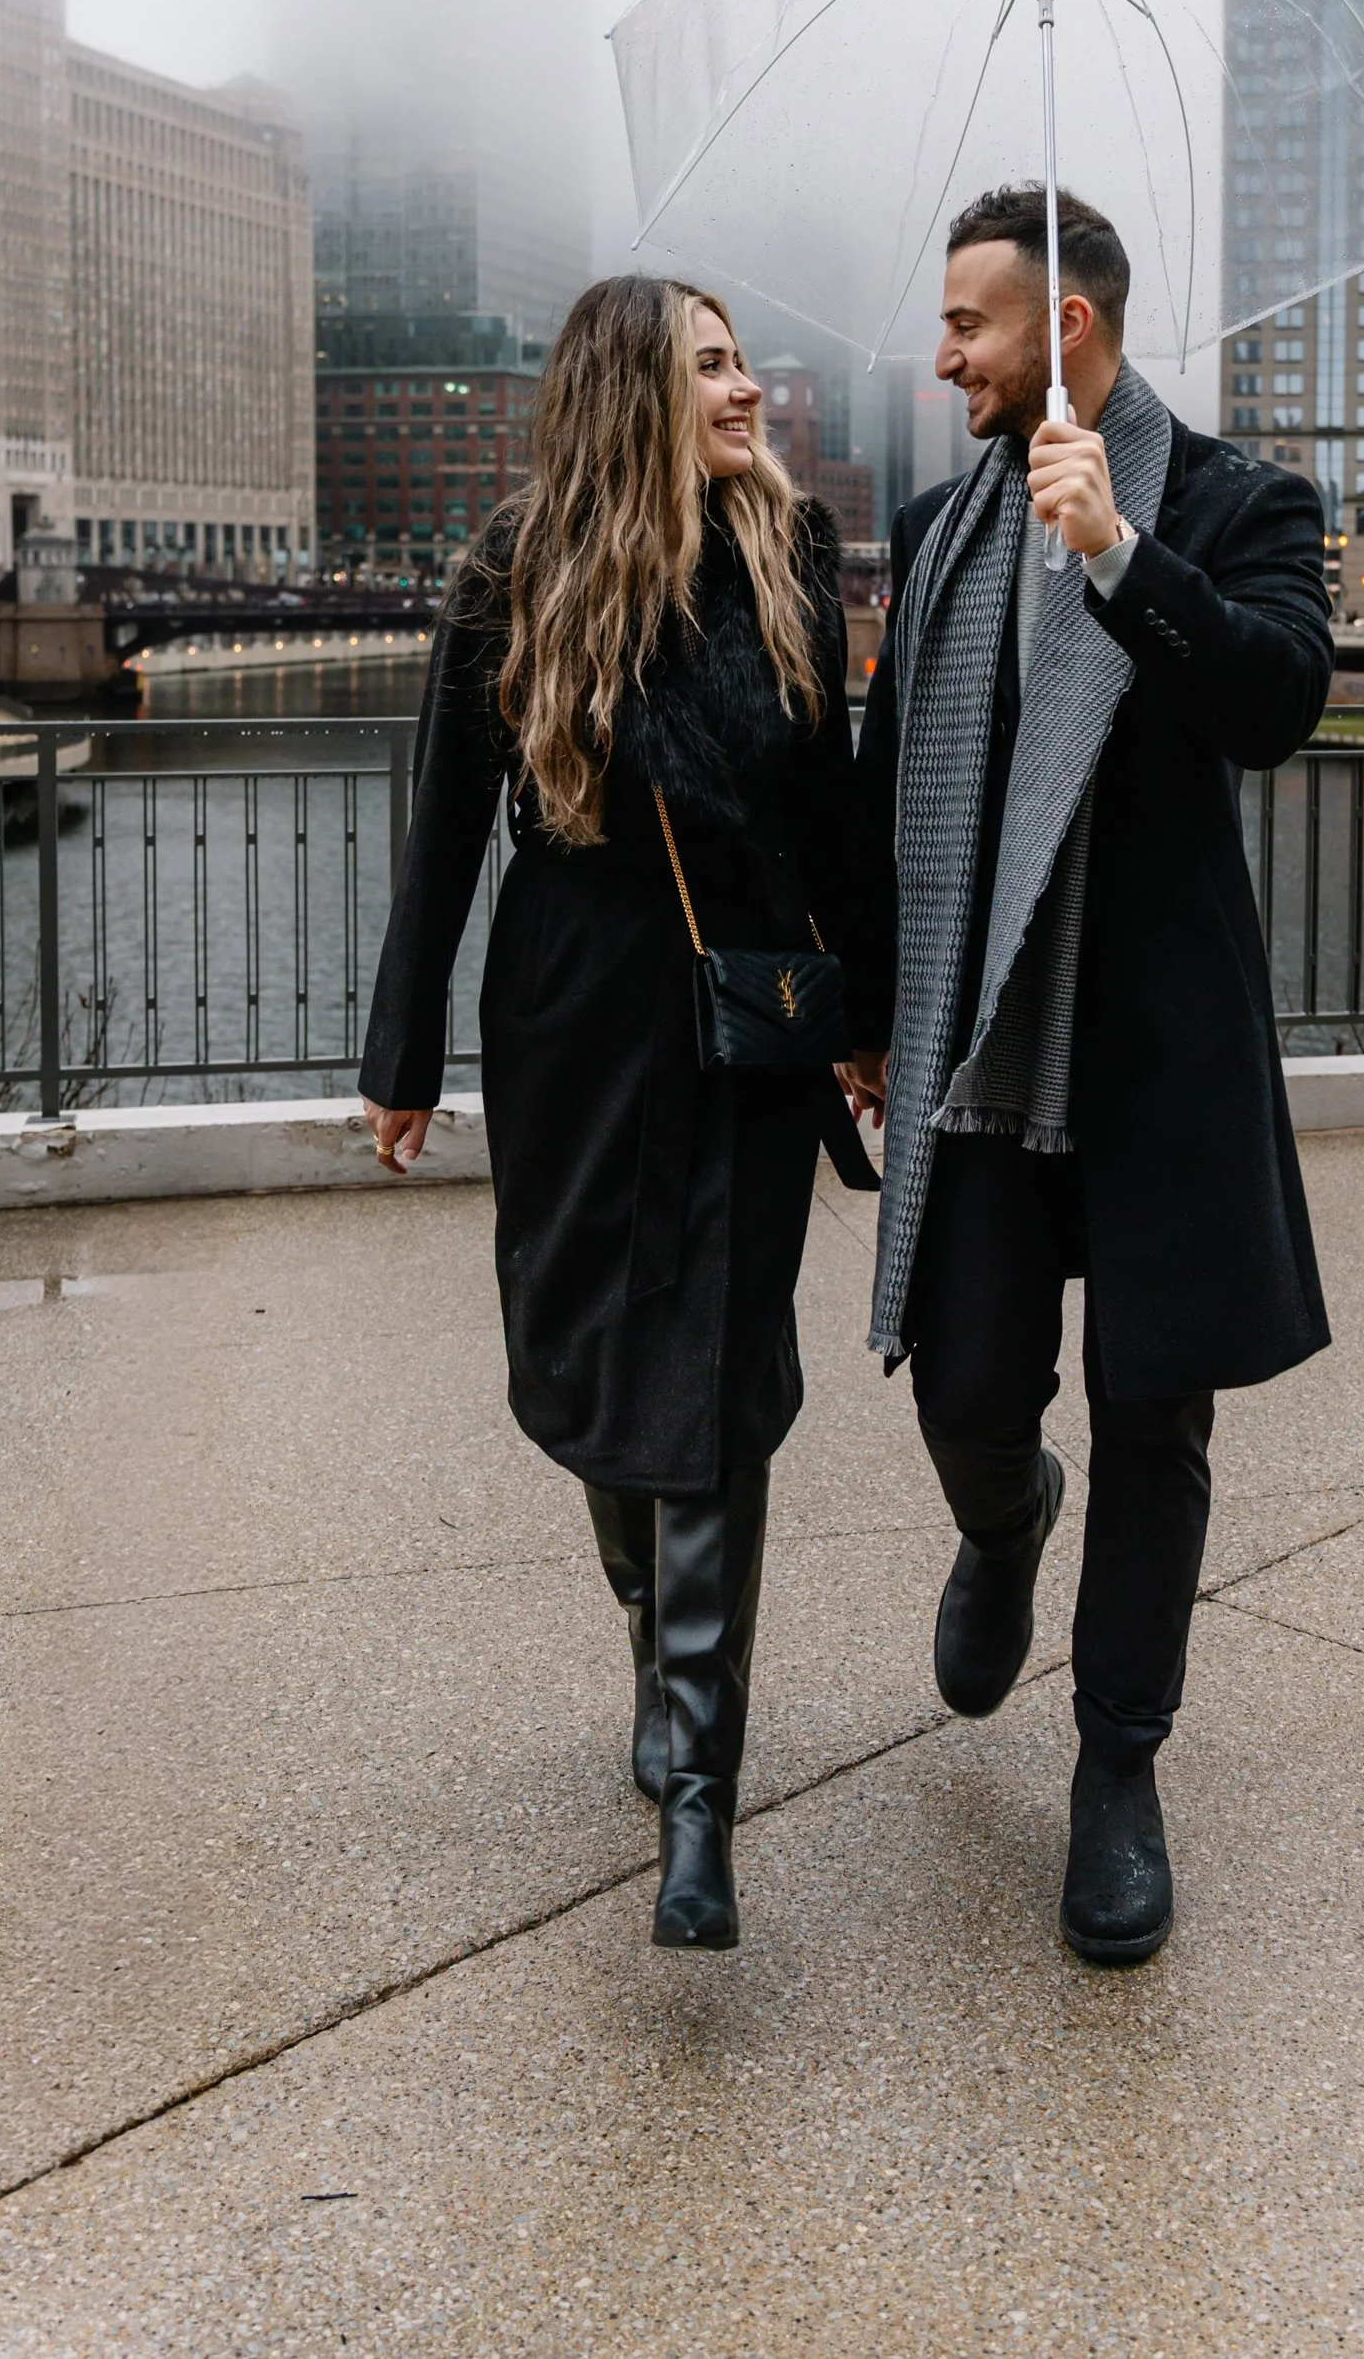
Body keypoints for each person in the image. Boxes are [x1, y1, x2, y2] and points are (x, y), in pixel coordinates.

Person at [840, 183, 1334, 1967]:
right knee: (968, 1384)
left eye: (969, 320)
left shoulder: (1238, 503)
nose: (943, 353)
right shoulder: (938, 527)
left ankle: (1118, 1770)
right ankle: (1001, 1515)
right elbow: (887, 782)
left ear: (1067, 326)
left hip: (1151, 1062)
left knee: (1157, 1421)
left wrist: (1126, 553)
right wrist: (863, 1011)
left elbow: (1277, 700)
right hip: (979, 1051)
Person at [360, 273, 871, 1954]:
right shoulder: (515, 569)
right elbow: (445, 828)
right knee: (589, 1354)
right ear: (634, 390)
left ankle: (705, 1795)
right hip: (576, 1011)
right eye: (716, 366)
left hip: (745, 1019)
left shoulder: (790, 557)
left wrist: (858, 1015)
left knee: (715, 1365)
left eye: (745, 362)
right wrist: (404, 1058)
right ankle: (656, 1633)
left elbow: (831, 806)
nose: (748, 390)